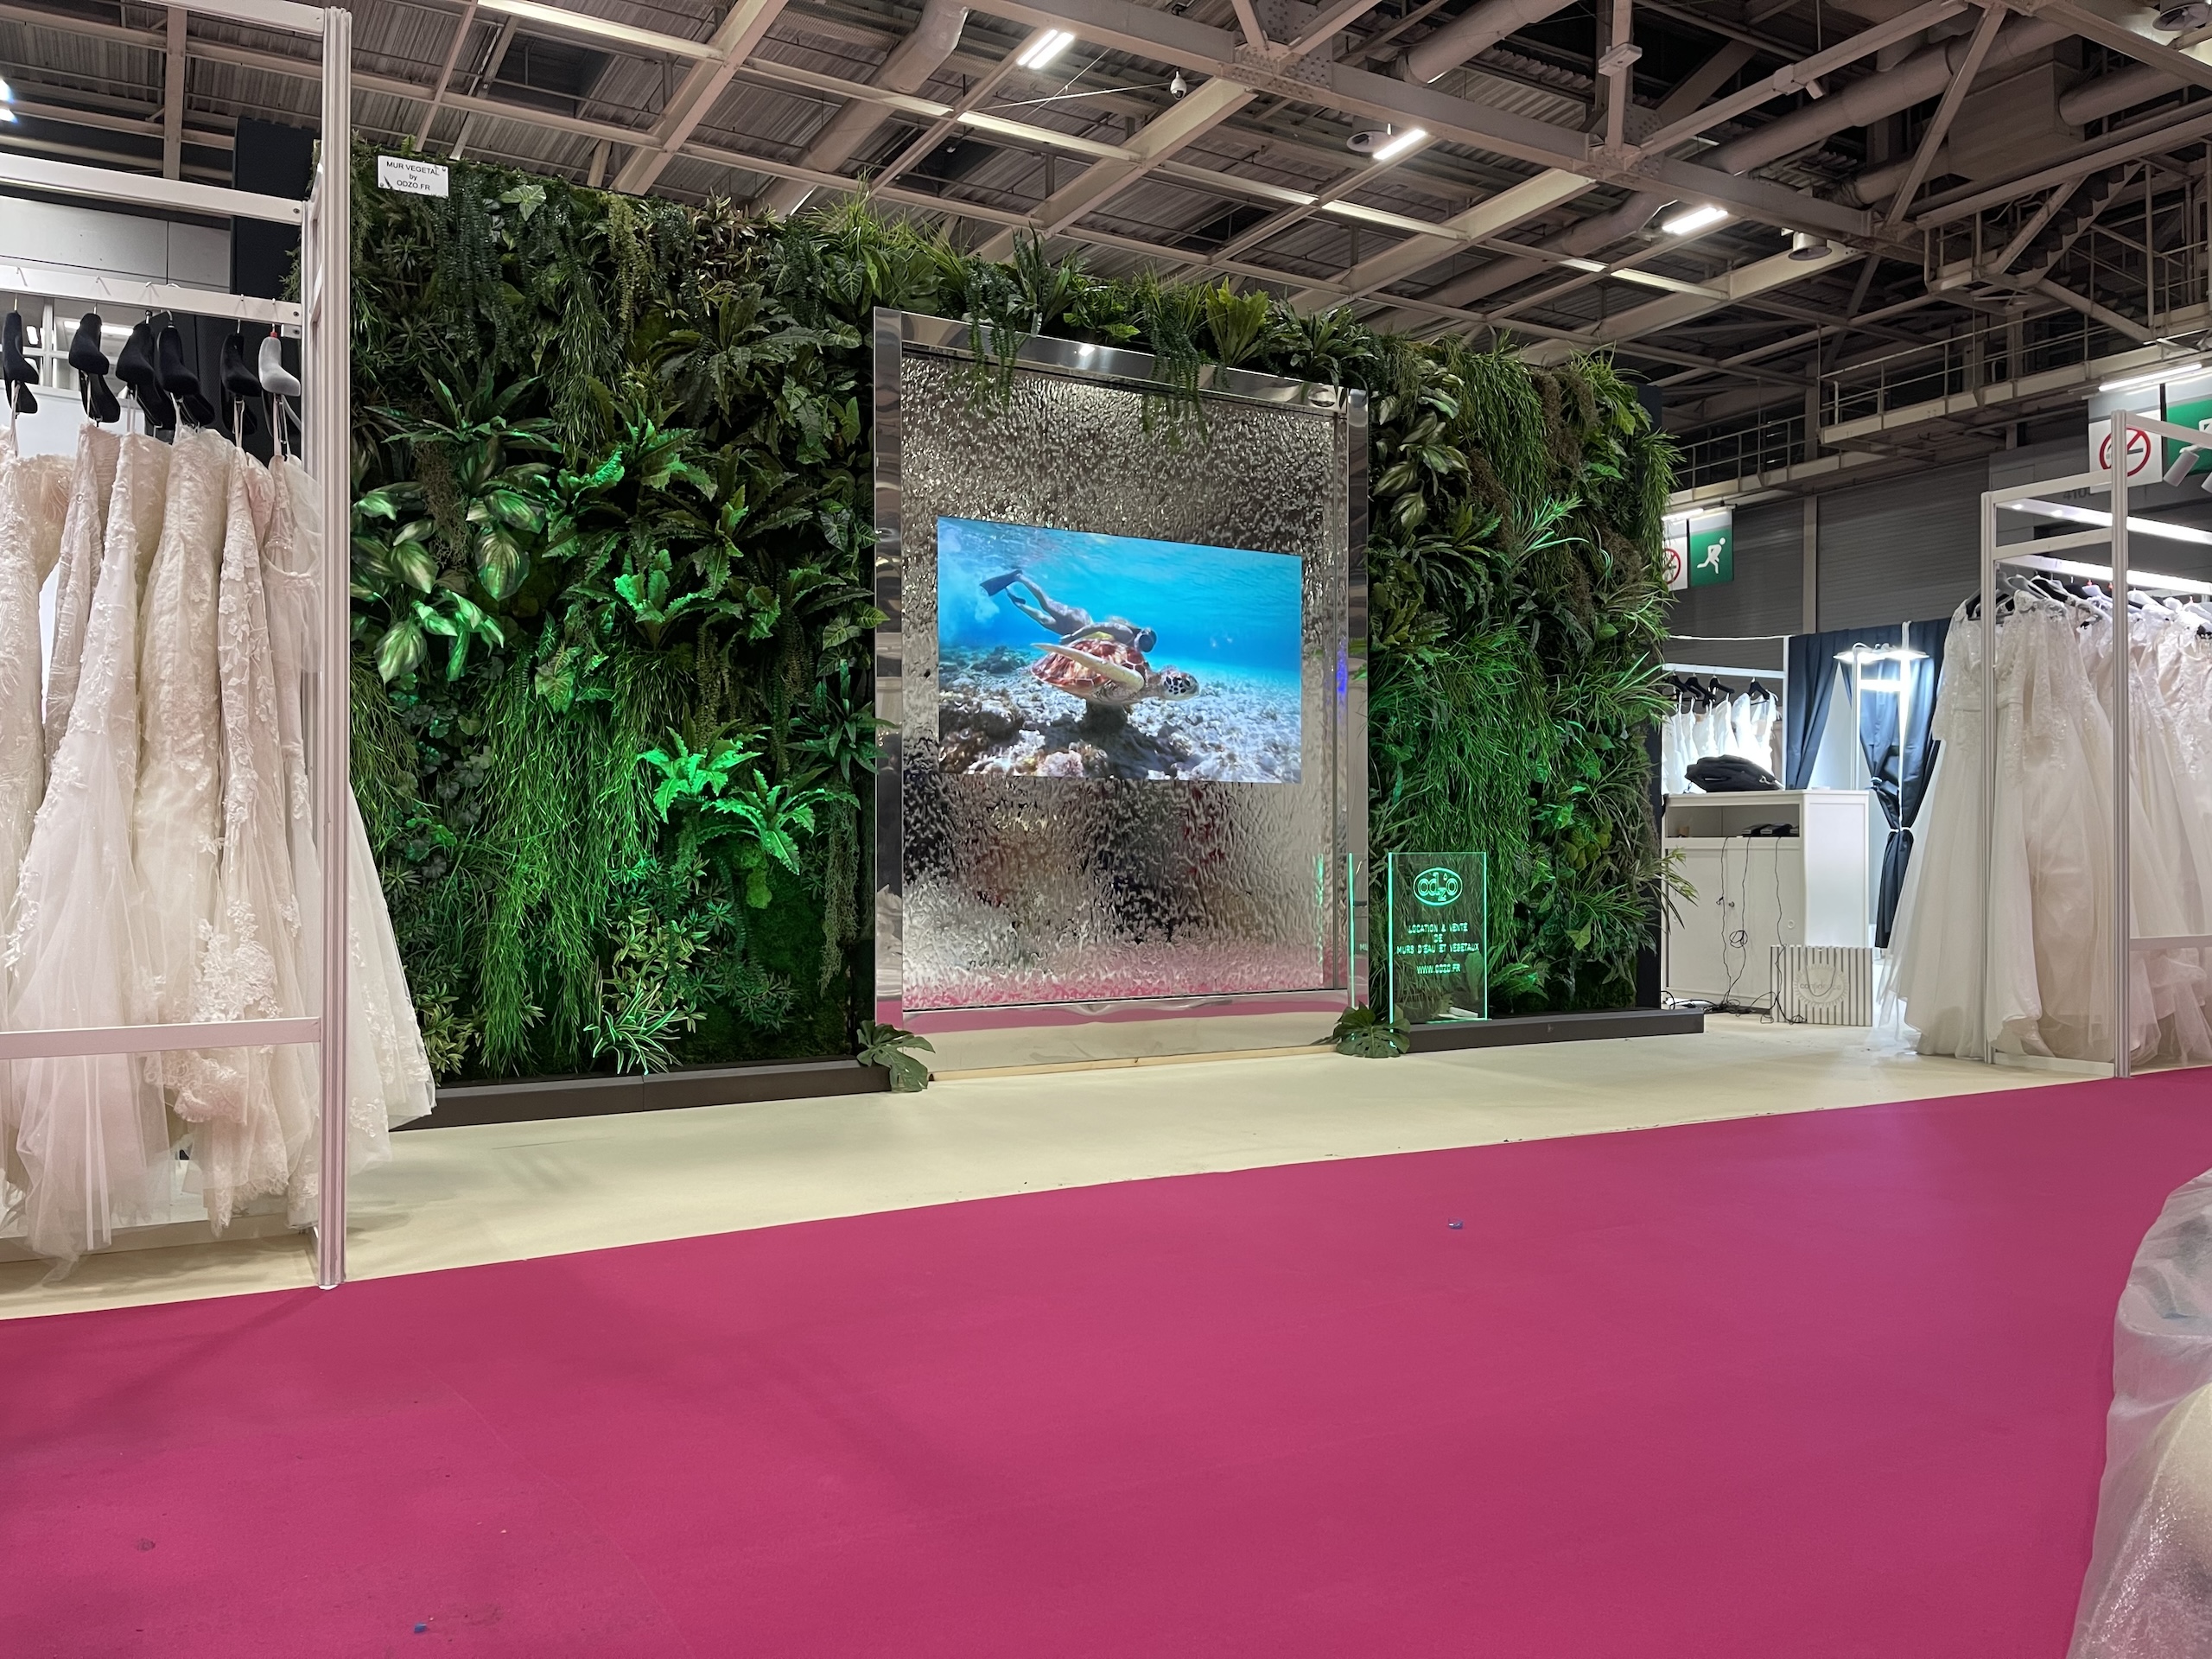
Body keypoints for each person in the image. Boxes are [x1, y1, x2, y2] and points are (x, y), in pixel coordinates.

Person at [982, 569, 1157, 652]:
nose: (1142, 646)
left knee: (1042, 620)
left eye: (1146, 647)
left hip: (1076, 633)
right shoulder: (1126, 633)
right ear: (1139, 634)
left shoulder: (1131, 648)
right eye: (1144, 641)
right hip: (1078, 621)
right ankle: (1018, 576)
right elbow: (1099, 627)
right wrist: (1072, 638)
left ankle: (1017, 603)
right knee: (1046, 604)